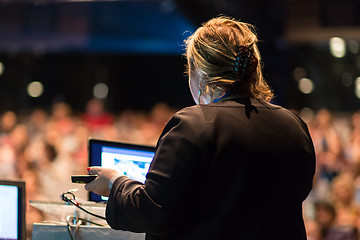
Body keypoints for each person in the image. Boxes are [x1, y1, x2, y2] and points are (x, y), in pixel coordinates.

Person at [85, 16, 316, 240]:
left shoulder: (193, 124)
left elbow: (153, 212)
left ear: (201, 74)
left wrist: (115, 182)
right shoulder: (294, 126)